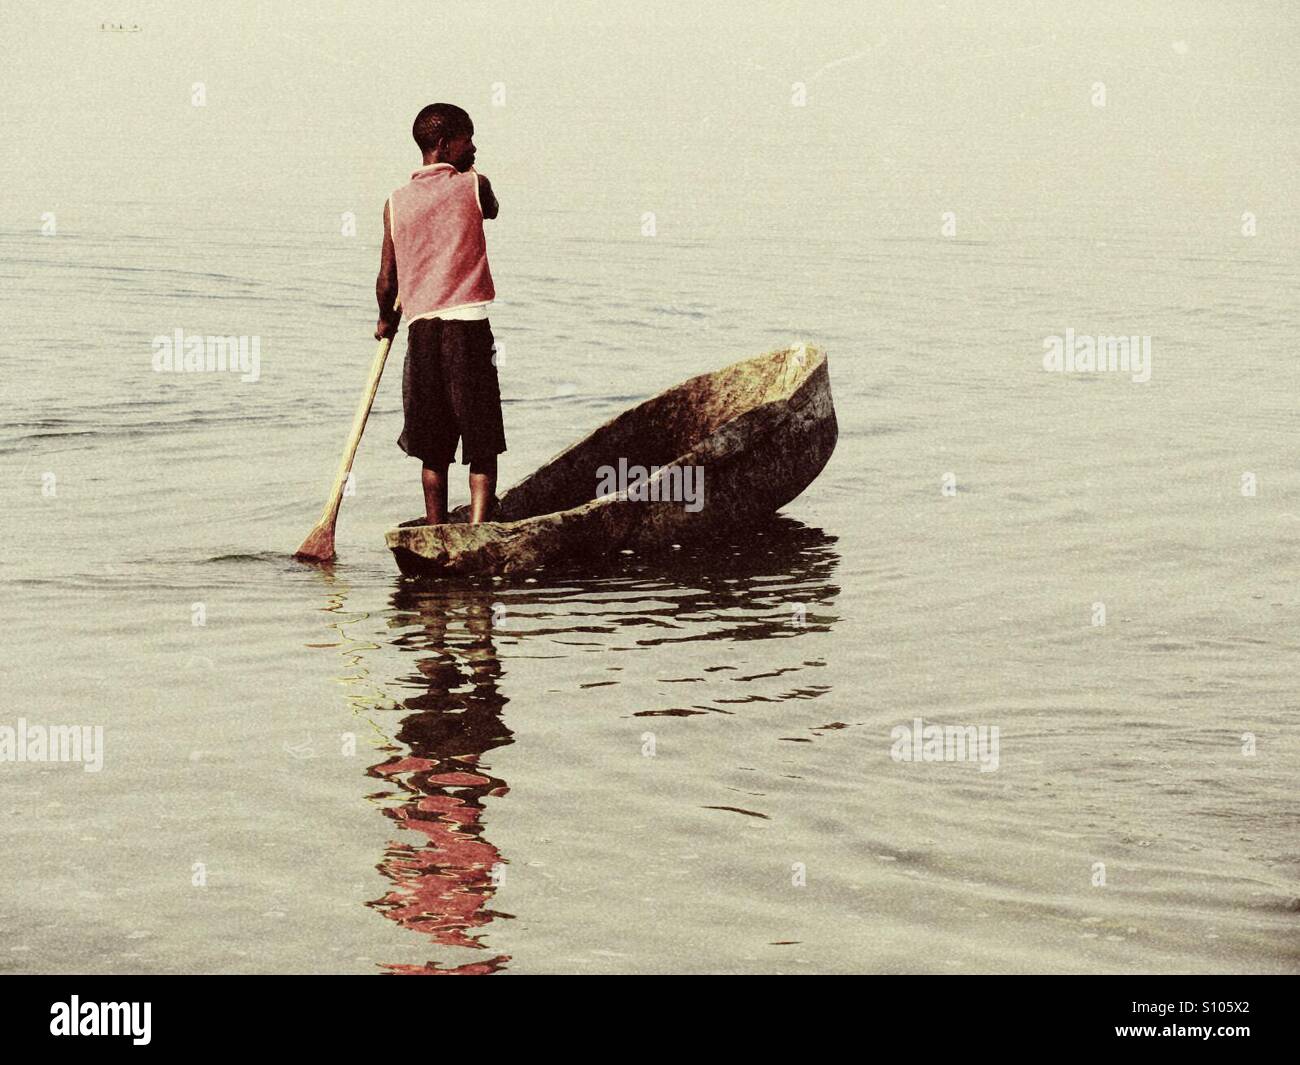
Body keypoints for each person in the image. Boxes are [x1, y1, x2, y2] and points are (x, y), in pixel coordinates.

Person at [375, 103, 503, 525]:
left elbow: (387, 282)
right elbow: (493, 209)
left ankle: (434, 528)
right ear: (447, 143)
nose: (475, 147)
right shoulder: (473, 185)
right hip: (467, 327)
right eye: (469, 139)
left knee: (433, 447)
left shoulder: (395, 203)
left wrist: (384, 319)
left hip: (421, 332)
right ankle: (478, 528)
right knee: (481, 440)